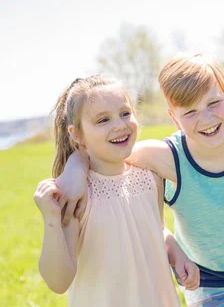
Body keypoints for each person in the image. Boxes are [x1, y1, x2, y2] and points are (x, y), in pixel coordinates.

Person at [56, 54, 224, 307]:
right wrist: (75, 166)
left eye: (214, 102)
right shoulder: (166, 157)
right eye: (190, 112)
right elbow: (103, 151)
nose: (206, 118)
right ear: (173, 118)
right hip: (204, 278)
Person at [34, 75, 195, 306]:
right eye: (102, 120)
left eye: (125, 113)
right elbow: (58, 282)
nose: (119, 125)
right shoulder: (74, 193)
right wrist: (51, 220)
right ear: (76, 134)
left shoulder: (150, 177)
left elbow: (155, 229)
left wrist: (175, 251)